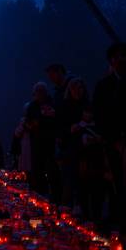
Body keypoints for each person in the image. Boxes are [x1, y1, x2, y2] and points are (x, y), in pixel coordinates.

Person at [93, 43, 126, 231]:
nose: (120, 60)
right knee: (115, 182)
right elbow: (99, 114)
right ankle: (120, 221)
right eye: (116, 57)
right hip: (112, 142)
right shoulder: (104, 86)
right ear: (111, 61)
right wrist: (110, 138)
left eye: (124, 56)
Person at [57, 77, 90, 209]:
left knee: (85, 183)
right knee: (69, 181)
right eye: (74, 88)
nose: (77, 91)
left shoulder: (88, 105)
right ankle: (67, 212)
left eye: (80, 88)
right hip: (70, 149)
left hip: (86, 149)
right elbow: (60, 129)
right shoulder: (65, 107)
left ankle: (85, 212)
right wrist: (69, 129)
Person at [24, 82, 60, 201]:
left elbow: (57, 119)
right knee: (37, 169)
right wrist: (33, 123)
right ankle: (39, 194)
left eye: (41, 91)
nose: (39, 94)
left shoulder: (52, 103)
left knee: (52, 169)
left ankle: (55, 196)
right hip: (36, 142)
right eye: (37, 92)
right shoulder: (32, 106)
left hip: (50, 141)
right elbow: (27, 123)